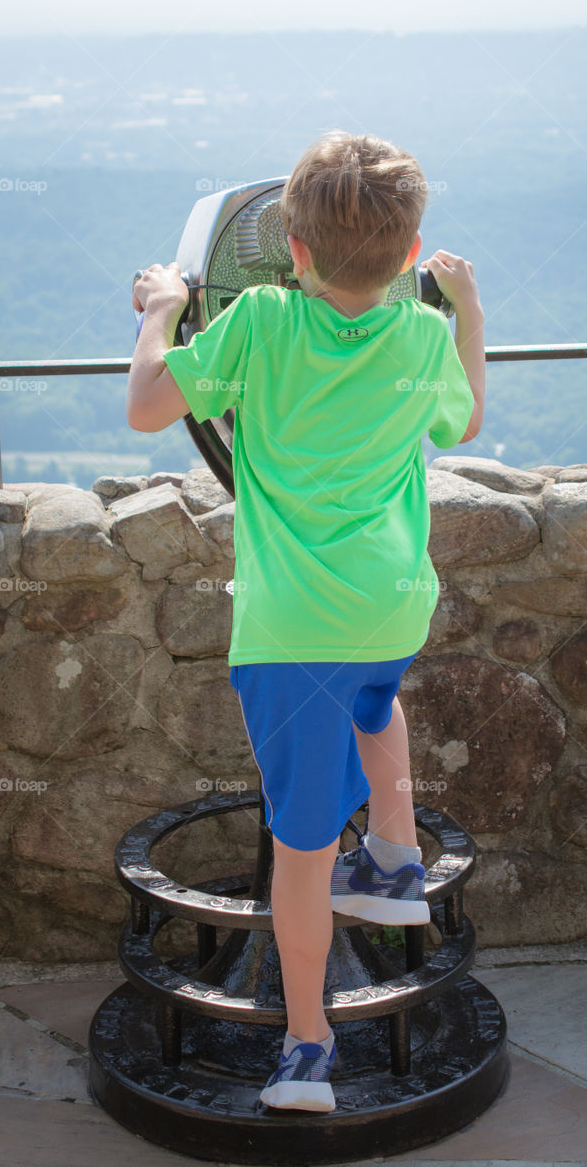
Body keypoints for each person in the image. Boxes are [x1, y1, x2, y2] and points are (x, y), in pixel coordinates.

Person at [126, 129, 485, 1114]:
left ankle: (305, 1046)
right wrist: (468, 311)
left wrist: (161, 312)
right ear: (411, 257)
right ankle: (400, 854)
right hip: (391, 602)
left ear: (288, 248)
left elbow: (149, 407)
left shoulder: (263, 324)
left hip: (293, 628)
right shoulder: (421, 332)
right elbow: (462, 422)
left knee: (304, 846)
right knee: (377, 701)